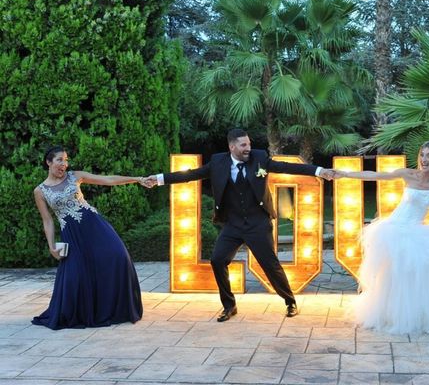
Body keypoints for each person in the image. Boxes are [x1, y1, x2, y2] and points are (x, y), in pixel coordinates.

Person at [144, 128, 335, 322]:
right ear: (232, 146)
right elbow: (191, 174)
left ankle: (289, 301)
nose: (248, 148)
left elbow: (288, 167)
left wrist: (320, 171)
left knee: (270, 265)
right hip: (233, 225)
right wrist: (158, 180)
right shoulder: (218, 162)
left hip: (258, 223)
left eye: (249, 144)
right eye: (244, 145)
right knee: (217, 260)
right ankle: (229, 305)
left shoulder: (259, 158)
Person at [335, 141, 429, 338]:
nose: (424, 160)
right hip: (393, 230)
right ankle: (391, 315)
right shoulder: (408, 174)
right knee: (393, 275)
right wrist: (345, 174)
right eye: (422, 155)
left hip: (416, 232)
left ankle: (426, 316)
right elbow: (376, 175)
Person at [33, 146, 144, 329]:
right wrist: (52, 246)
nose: (64, 164)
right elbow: (47, 221)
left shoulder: (75, 176)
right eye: (60, 160)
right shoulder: (40, 191)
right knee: (76, 275)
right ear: (49, 162)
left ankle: (119, 308)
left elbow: (108, 180)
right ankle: (82, 313)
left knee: (119, 256)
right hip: (72, 234)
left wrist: (137, 179)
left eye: (66, 160)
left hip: (94, 226)